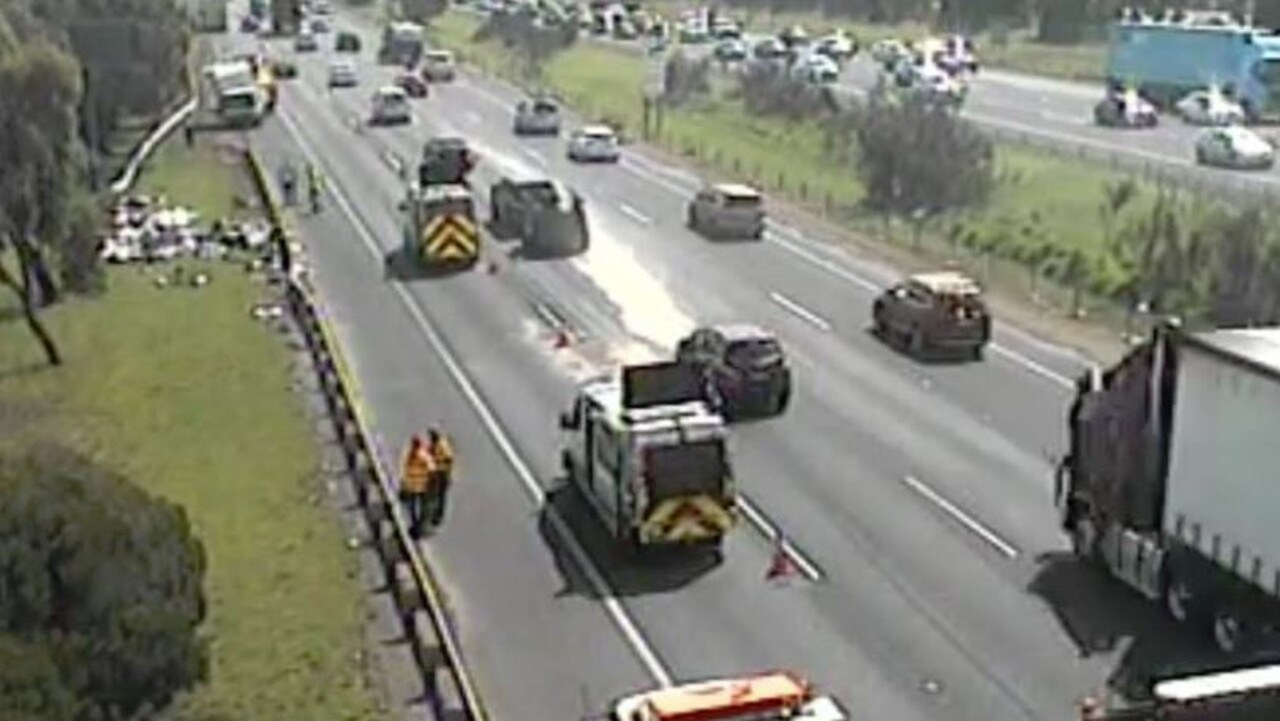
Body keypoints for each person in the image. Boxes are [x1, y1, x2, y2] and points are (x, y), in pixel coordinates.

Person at [399, 435, 435, 539]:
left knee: (413, 507)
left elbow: (404, 468)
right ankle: (418, 526)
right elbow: (432, 468)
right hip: (419, 485)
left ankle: (417, 525)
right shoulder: (422, 455)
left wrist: (404, 482)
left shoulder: (410, 453)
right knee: (418, 507)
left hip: (414, 485)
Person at [425, 427, 455, 527]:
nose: (430, 438)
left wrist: (442, 467)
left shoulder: (442, 446)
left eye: (432, 435)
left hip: (442, 474)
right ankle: (431, 513)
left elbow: (449, 459)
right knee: (432, 492)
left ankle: (438, 515)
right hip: (435, 473)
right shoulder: (433, 445)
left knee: (441, 495)